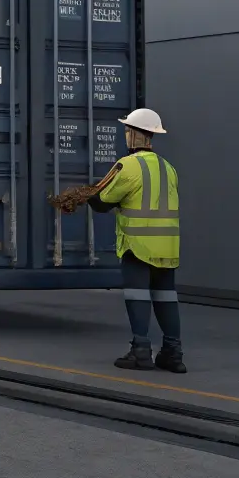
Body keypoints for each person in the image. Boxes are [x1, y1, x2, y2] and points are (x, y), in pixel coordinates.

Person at [89, 108, 184, 373]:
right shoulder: (169, 168)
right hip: (168, 245)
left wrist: (88, 194)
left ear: (133, 135)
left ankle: (141, 351)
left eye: (127, 131)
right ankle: (173, 353)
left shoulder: (129, 166)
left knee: (137, 295)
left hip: (138, 244)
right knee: (166, 297)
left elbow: (103, 201)